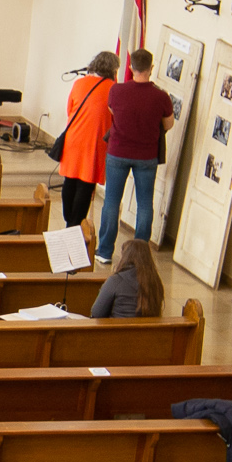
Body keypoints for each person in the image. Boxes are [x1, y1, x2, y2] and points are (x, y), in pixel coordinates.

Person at [96, 48, 175, 252]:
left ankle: (104, 250)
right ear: (151, 68)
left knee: (112, 202)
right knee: (145, 204)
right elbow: (168, 124)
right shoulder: (161, 96)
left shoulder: (117, 90)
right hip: (146, 156)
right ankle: (139, 252)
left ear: (130, 68)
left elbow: (113, 112)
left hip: (118, 152)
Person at [50, 51, 118, 228]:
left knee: (70, 180)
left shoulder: (79, 83)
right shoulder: (113, 89)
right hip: (95, 141)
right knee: (86, 184)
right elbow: (115, 118)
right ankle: (74, 223)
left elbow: (69, 109)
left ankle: (68, 218)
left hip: (74, 137)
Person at [88, 237, 164, 319]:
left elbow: (97, 313)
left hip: (119, 330)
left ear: (125, 257)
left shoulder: (116, 281)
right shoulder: (156, 282)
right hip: (148, 331)